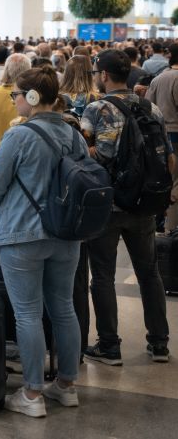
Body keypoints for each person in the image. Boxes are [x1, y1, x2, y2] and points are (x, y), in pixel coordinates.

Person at [0, 67, 84, 418]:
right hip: (66, 234)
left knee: (27, 313)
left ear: (32, 98)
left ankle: (32, 394)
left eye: (16, 95)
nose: (14, 100)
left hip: (23, 234)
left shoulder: (19, 136)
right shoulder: (73, 134)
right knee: (63, 308)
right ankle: (66, 386)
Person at [81, 49, 172, 365]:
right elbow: (169, 156)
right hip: (144, 203)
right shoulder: (152, 108)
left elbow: (91, 157)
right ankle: (159, 343)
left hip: (107, 204)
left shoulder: (96, 110)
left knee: (103, 276)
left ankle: (109, 345)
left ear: (103, 75)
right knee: (149, 273)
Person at [146, 44, 178, 231]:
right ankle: (171, 230)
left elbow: (149, 108)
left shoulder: (158, 79)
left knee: (167, 180)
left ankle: (163, 225)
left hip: (160, 137)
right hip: (175, 135)